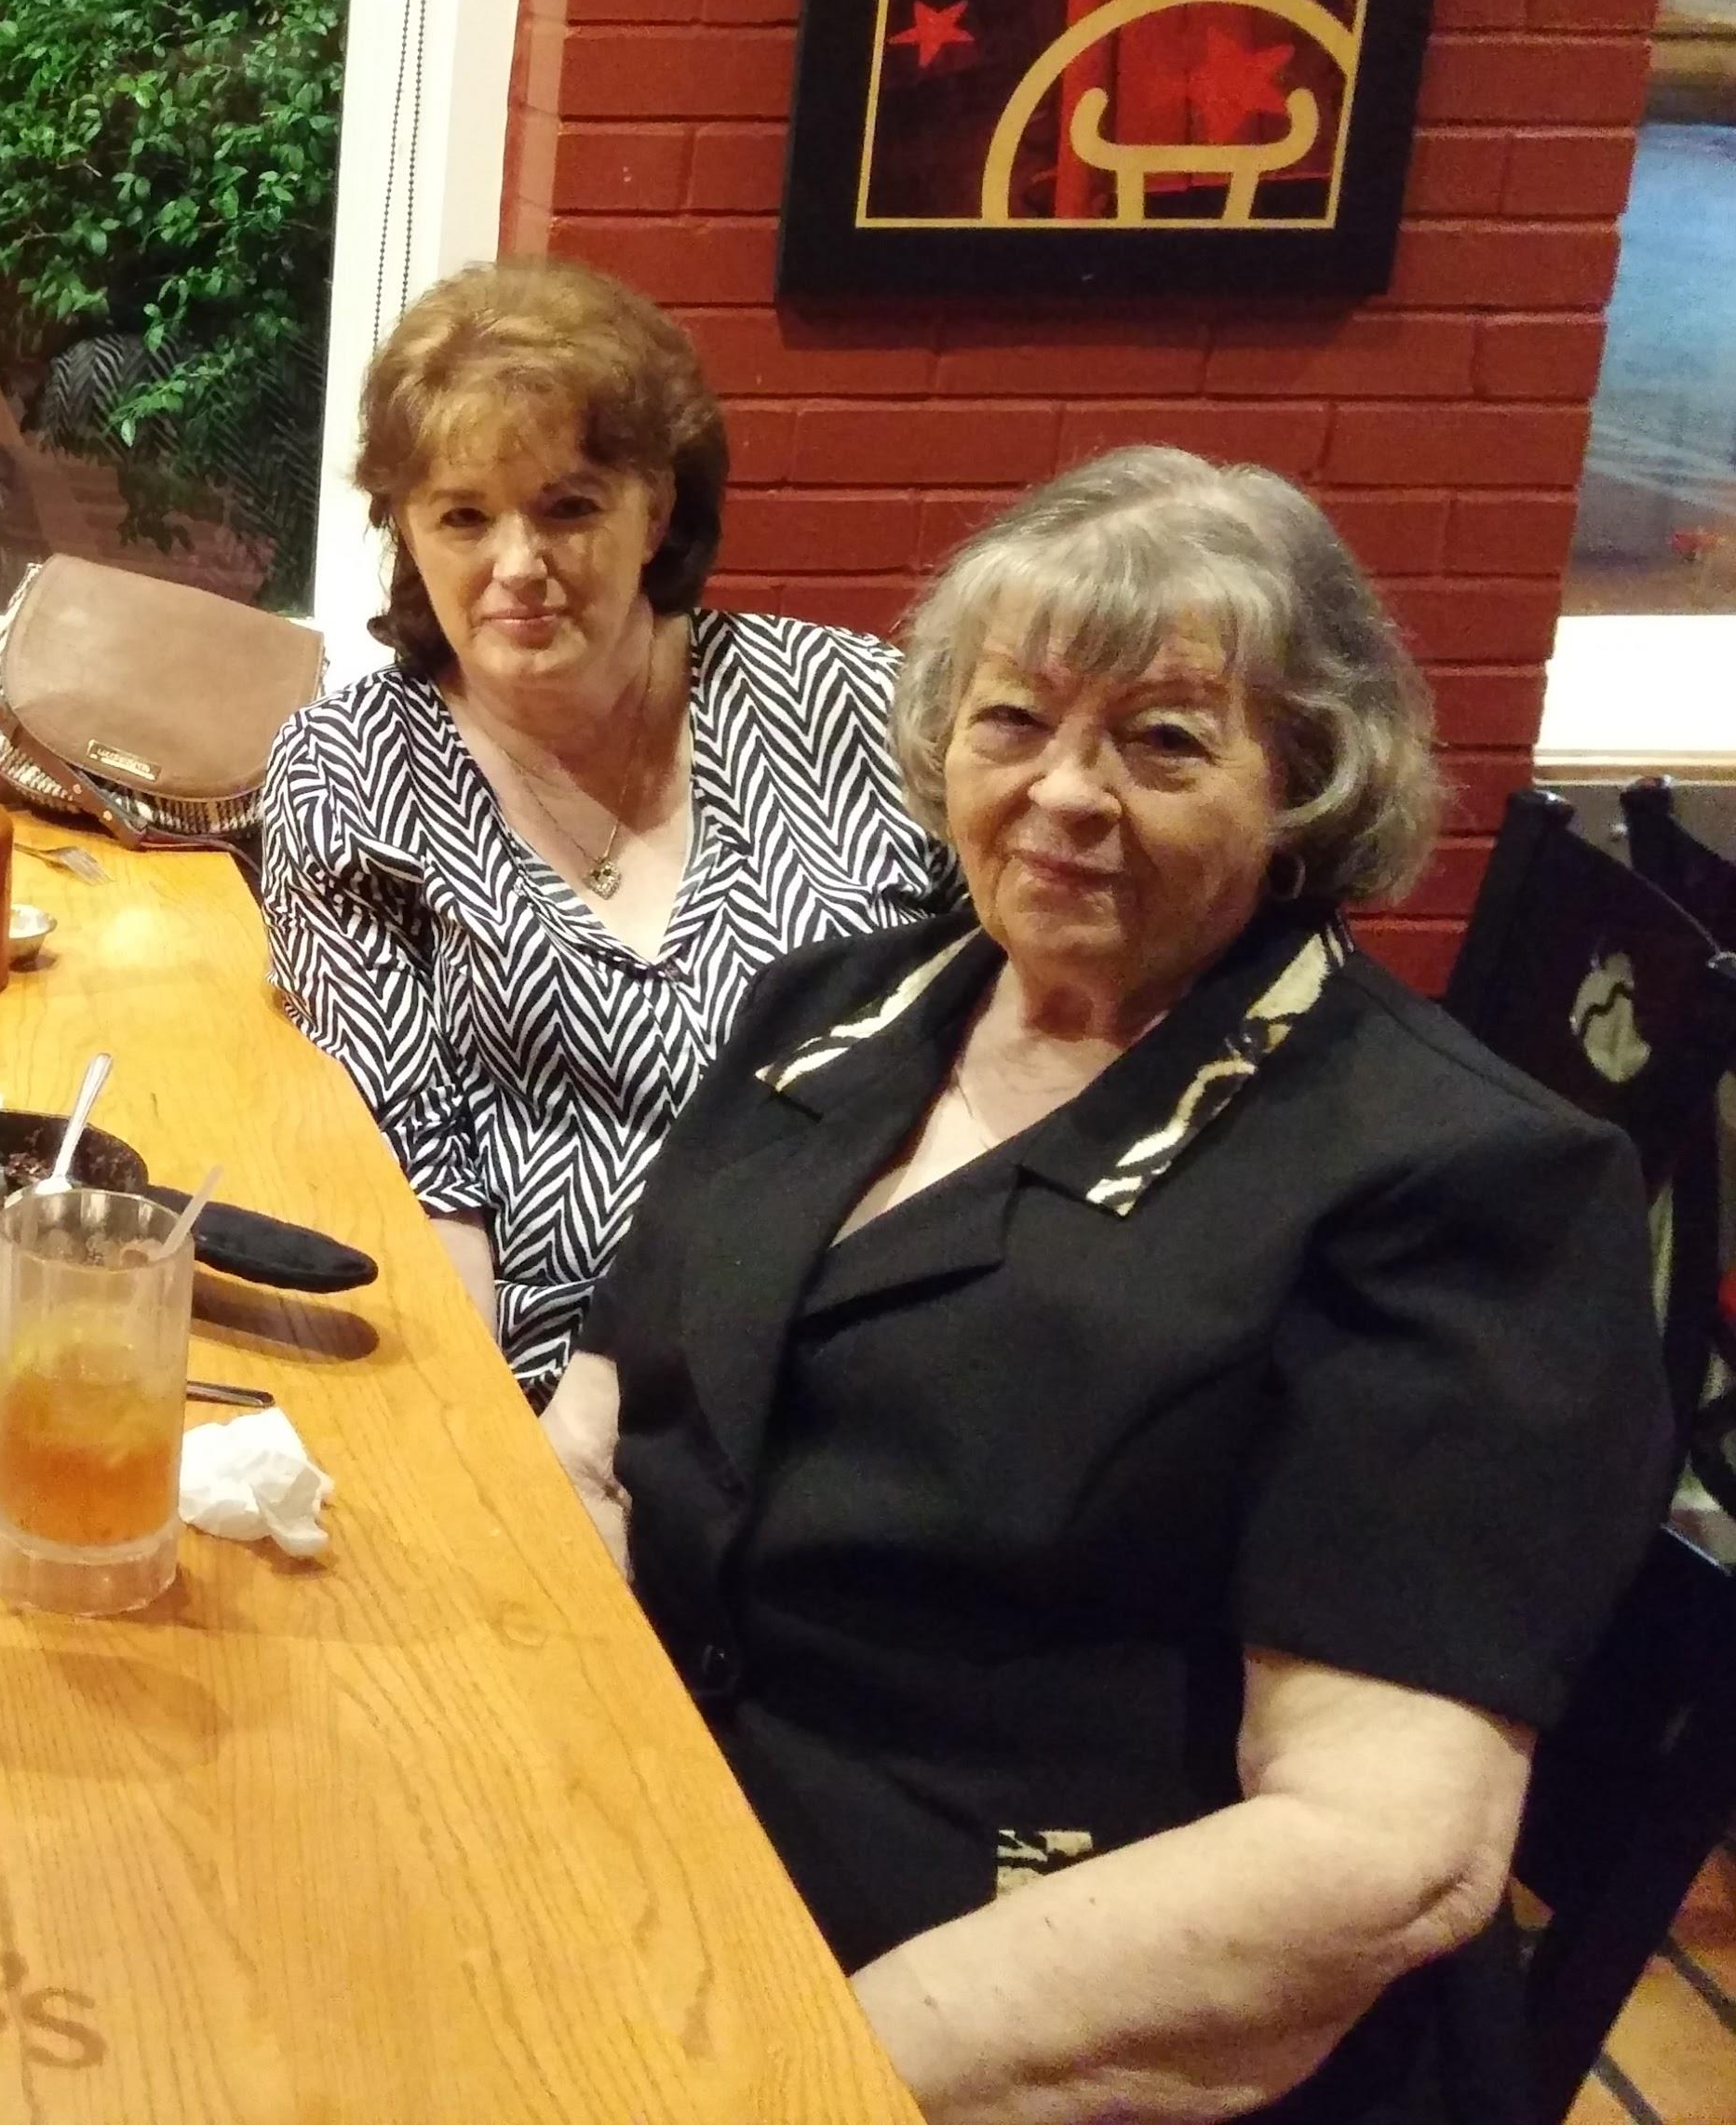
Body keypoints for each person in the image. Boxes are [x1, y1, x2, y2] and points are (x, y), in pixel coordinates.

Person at [547, 447, 1667, 2125]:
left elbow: (1378, 1853)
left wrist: (796, 2073)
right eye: (1014, 722)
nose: (1066, 791)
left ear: (1305, 782)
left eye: (1161, 741)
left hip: (982, 2018)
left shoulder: (1461, 1187)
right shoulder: (842, 1010)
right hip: (673, 1867)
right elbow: (620, 1398)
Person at [260, 258, 960, 1394]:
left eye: (568, 507)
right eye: (462, 517)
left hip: (877, 1357)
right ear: (405, 532)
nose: (517, 567)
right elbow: (416, 1192)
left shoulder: (863, 712)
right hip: (538, 1385)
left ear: (656, 510)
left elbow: (1029, 1045)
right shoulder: (349, 772)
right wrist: (490, 1470)